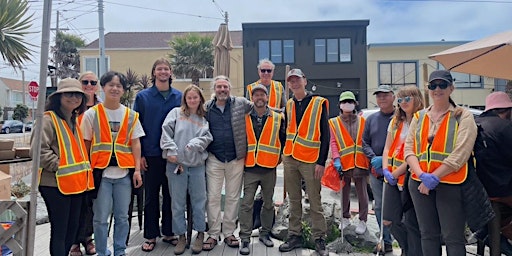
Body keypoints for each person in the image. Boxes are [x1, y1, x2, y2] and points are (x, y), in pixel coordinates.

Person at [405, 70, 477, 256]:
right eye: (433, 85)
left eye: (442, 85)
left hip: (450, 183)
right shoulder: (419, 117)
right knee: (428, 234)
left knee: (453, 237)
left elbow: (461, 153)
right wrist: (422, 176)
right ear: (428, 89)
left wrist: (434, 177)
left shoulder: (463, 116)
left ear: (451, 88)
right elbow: (409, 149)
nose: (437, 89)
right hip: (419, 183)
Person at [80, 71, 144, 256]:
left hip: (124, 174)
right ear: (103, 87)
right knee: (100, 218)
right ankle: (102, 252)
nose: (115, 89)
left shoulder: (131, 115)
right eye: (111, 85)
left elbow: (136, 143)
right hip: (100, 174)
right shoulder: (92, 114)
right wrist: (86, 171)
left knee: (123, 217)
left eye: (119, 86)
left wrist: (137, 170)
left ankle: (120, 251)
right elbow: (85, 143)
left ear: (123, 90)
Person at [31, 78, 93, 256]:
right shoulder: (48, 120)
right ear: (58, 97)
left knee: (71, 231)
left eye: (77, 95)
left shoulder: (72, 120)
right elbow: (38, 152)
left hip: (74, 184)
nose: (74, 98)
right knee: (60, 232)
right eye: (69, 94)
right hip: (54, 185)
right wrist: (59, 166)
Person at [278, 69, 330, 256]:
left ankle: (319, 239)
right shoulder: (289, 104)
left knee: (315, 200)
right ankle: (295, 235)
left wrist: (321, 162)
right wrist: (284, 154)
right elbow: (287, 131)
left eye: (297, 80)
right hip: (291, 158)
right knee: (293, 200)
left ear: (305, 81)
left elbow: (325, 133)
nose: (294, 83)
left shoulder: (318, 102)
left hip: (310, 159)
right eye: (291, 81)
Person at [133, 58, 182, 252]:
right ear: (154, 73)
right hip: (151, 154)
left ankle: (169, 232)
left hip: (173, 155)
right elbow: (136, 127)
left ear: (171, 73)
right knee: (151, 197)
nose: (163, 72)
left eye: (166, 69)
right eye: (159, 69)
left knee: (171, 195)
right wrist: (141, 155)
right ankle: (151, 235)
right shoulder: (143, 97)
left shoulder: (179, 96)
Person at [160, 84, 213, 255]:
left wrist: (194, 144)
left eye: (195, 98)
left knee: (199, 202)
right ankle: (181, 236)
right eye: (189, 98)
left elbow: (206, 138)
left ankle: (199, 234)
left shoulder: (203, 119)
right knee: (177, 203)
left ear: (200, 99)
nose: (192, 100)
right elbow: (165, 132)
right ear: (185, 99)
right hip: (176, 166)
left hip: (197, 166)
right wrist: (172, 151)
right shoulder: (175, 113)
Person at [202, 75, 253, 251]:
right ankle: (214, 234)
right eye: (219, 87)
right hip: (214, 157)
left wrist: (284, 113)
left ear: (229, 88)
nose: (222, 90)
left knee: (232, 197)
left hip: (236, 157)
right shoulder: (206, 108)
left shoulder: (241, 103)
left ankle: (230, 232)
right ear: (214, 90)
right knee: (213, 197)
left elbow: (262, 108)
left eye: (225, 87)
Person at [238, 84, 286, 255]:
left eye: (262, 95)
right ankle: (244, 237)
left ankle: (265, 233)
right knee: (246, 203)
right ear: (252, 98)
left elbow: (284, 139)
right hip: (250, 166)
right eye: (256, 95)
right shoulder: (244, 117)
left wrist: (280, 157)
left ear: (267, 98)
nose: (259, 97)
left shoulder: (278, 118)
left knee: (268, 203)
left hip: (269, 167)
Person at [381, 85, 424, 256]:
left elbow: (416, 153)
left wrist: (396, 172)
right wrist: (385, 168)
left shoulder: (422, 121)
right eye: (400, 99)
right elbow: (386, 148)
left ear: (417, 99)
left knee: (412, 222)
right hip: (390, 177)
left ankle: (413, 252)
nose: (403, 102)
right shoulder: (395, 122)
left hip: (409, 177)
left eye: (408, 98)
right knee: (389, 220)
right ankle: (408, 248)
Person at [474, 91, 512, 255]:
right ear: (506, 110)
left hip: (477, 191)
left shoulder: (474, 124)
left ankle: (485, 233)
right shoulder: (506, 127)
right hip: (504, 191)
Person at [329, 91, 370, 235]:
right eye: (344, 102)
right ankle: (345, 217)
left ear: (355, 104)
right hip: (343, 162)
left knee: (362, 192)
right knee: (344, 192)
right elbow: (333, 142)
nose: (347, 104)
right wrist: (336, 159)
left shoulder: (363, 121)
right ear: (340, 105)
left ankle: (363, 220)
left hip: (360, 160)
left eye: (350, 101)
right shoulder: (333, 122)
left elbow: (366, 141)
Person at [70, 71, 100, 256]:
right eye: (85, 82)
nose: (89, 85)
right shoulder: (72, 109)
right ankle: (74, 243)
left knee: (91, 206)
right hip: (75, 166)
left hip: (95, 165)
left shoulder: (101, 109)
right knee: (76, 206)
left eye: (92, 82)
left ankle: (88, 238)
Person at [362, 84, 395, 254]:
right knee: (379, 206)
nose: (382, 98)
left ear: (393, 97)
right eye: (379, 95)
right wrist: (373, 158)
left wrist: (387, 160)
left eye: (385, 95)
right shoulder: (372, 119)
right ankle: (385, 240)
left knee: (398, 207)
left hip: (397, 171)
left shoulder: (400, 118)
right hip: (376, 171)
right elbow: (364, 141)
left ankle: (403, 241)